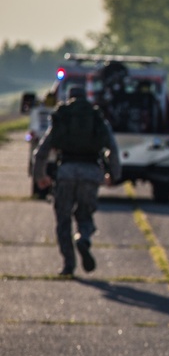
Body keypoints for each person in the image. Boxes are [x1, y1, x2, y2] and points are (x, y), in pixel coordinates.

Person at [32, 86, 121, 276]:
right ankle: (84, 238)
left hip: (65, 173)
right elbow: (112, 148)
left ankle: (68, 265)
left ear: (69, 97)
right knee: (85, 216)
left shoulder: (62, 116)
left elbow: (41, 151)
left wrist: (40, 176)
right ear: (85, 97)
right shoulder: (96, 117)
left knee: (63, 220)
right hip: (91, 174)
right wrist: (114, 174)